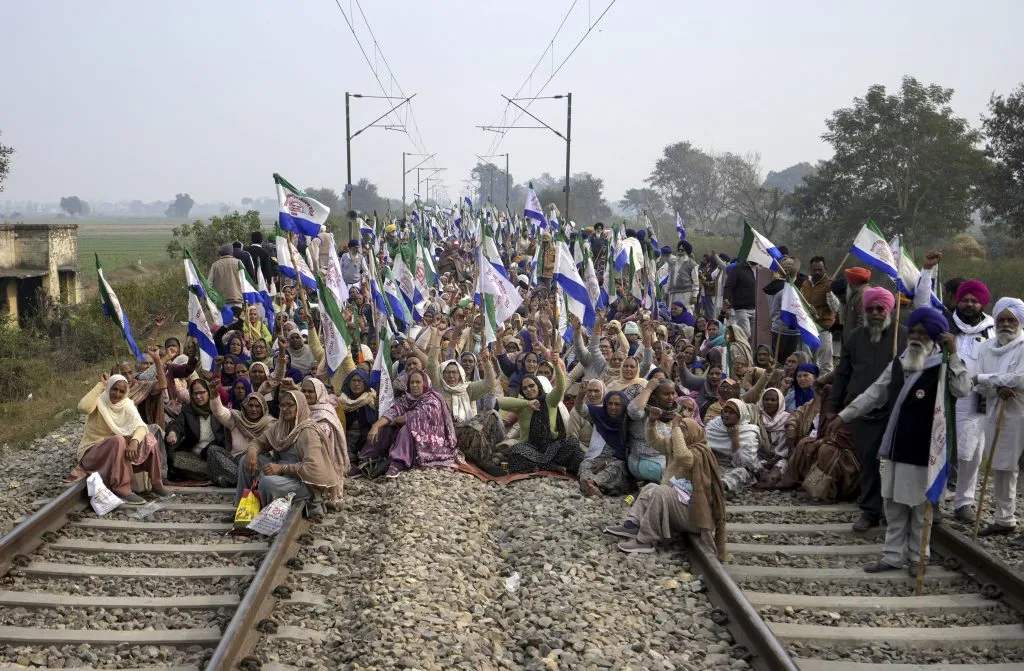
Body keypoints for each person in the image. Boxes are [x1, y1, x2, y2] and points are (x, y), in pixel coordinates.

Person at [826, 307, 969, 573]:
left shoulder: (944, 364)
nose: (915, 337)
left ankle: (918, 558)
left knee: (919, 507)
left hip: (926, 449)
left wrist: (955, 353)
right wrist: (844, 416)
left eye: (923, 333)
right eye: (912, 331)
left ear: (936, 337)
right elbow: (874, 394)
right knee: (893, 504)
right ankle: (892, 556)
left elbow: (962, 389)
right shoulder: (900, 362)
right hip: (895, 444)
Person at [914, 251, 995, 523]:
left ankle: (964, 503)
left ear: (982, 303)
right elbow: (922, 303)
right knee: (939, 448)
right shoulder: (945, 322)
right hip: (946, 398)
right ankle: (934, 500)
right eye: (965, 299)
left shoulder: (991, 329)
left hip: (978, 401)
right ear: (957, 301)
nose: (969, 304)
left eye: (974, 300)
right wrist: (927, 271)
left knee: (972, 454)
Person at [829, 286, 907, 532]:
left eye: (879, 308)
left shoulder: (903, 337)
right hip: (861, 409)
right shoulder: (854, 337)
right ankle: (870, 511)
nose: (875, 313)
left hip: (896, 409)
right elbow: (842, 374)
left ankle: (896, 511)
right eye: (870, 308)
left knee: (896, 462)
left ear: (889, 310)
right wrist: (833, 406)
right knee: (868, 461)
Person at [607, 415, 728, 558]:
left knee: (662, 491)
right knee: (650, 487)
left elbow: (684, 458)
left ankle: (646, 540)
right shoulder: (675, 447)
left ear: (694, 433)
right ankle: (632, 524)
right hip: (682, 507)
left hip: (695, 516)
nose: (679, 433)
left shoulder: (700, 452)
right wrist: (651, 422)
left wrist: (676, 427)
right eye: (679, 430)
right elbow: (654, 441)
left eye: (684, 430)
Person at [235, 390, 344, 522]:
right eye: (282, 405)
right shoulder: (281, 426)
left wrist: (283, 468)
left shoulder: (308, 431)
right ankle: (243, 510)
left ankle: (265, 517)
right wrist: (252, 453)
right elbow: (258, 442)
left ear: (300, 406)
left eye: (290, 405)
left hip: (303, 482)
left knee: (267, 483)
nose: (285, 409)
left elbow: (313, 468)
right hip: (282, 474)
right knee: (244, 460)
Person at [69, 374, 171, 504]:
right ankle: (122, 489)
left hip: (116, 452)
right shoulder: (99, 401)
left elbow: (140, 426)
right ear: (109, 388)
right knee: (118, 439)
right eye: (114, 389)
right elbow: (83, 407)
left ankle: (157, 484)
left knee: (148, 438)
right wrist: (101, 385)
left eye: (122, 391)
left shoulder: (126, 404)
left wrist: (134, 442)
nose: (117, 394)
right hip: (92, 453)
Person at [972, 298, 1024, 536]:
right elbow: (978, 385)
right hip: (998, 410)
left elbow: (1019, 379)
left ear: (1019, 321)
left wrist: (987, 380)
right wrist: (996, 386)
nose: (1005, 324)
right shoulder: (985, 348)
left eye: (1010, 319)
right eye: (1001, 319)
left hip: (1020, 410)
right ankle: (1005, 519)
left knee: (1017, 467)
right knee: (1002, 466)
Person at [363, 370, 459, 478]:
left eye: (418, 382)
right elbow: (394, 410)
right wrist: (376, 426)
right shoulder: (407, 398)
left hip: (429, 444)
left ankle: (397, 463)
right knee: (385, 427)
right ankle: (367, 459)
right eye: (411, 383)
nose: (414, 385)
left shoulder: (434, 399)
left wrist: (396, 420)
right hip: (411, 442)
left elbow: (417, 415)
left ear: (425, 384)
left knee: (407, 427)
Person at [496, 357, 582, 474]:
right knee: (516, 451)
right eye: (525, 388)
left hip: (553, 447)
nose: (529, 390)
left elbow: (561, 388)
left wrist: (556, 365)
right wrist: (526, 403)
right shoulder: (522, 406)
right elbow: (500, 402)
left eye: (531, 386)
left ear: (538, 386)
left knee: (573, 443)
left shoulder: (549, 400)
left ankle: (543, 465)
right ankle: (552, 466)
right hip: (531, 448)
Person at [209, 386, 275, 488]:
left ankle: (230, 479)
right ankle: (239, 479)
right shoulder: (237, 418)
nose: (253, 409)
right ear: (245, 406)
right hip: (234, 462)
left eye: (257, 406)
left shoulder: (269, 424)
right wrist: (215, 396)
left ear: (263, 408)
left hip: (255, 462)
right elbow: (219, 412)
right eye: (251, 405)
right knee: (213, 450)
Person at [165, 379, 227, 481]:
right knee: (176, 458)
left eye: (202, 392)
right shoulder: (187, 409)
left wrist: (210, 449)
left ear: (209, 392)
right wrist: (172, 433)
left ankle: (207, 474)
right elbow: (177, 424)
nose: (198, 397)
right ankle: (210, 475)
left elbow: (224, 437)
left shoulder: (218, 410)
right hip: (193, 455)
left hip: (214, 455)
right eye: (195, 393)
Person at [301, 378, 350, 501]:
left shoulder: (325, 410)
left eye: (310, 391)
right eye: (304, 391)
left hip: (323, 453)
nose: (306, 394)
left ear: (319, 392)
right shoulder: (299, 407)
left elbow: (325, 430)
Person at [577, 391, 632, 497]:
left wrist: (606, 462)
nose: (613, 407)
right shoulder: (599, 415)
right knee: (585, 464)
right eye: (610, 403)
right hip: (596, 457)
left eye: (617, 404)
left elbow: (626, 454)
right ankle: (595, 487)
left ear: (624, 405)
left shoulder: (628, 423)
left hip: (615, 461)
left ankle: (592, 484)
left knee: (617, 468)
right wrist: (581, 394)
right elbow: (580, 409)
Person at [705, 398, 762, 492]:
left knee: (741, 473)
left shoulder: (748, 433)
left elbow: (745, 465)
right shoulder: (714, 426)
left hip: (734, 469)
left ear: (740, 416)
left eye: (731, 413)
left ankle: (720, 487)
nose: (726, 415)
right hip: (715, 466)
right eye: (725, 411)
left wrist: (735, 440)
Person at [802, 256, 837, 374]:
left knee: (825, 363)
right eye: (814, 269)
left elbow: (836, 308)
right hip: (809, 327)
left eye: (820, 270)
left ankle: (824, 388)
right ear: (811, 269)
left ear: (825, 269)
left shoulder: (830, 284)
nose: (817, 272)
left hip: (824, 327)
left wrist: (830, 293)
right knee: (809, 361)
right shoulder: (806, 284)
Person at [339, 368, 377, 463]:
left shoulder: (372, 399)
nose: (356, 384)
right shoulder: (341, 401)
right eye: (354, 381)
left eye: (359, 381)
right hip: (347, 439)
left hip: (367, 439)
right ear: (349, 382)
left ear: (365, 383)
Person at [723, 258, 756, 338]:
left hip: (756, 308)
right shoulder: (738, 269)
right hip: (741, 308)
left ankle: (751, 350)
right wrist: (727, 299)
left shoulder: (761, 270)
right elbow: (729, 286)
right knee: (746, 333)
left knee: (755, 336)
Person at [208, 243, 243, 309]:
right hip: (237, 299)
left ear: (221, 252)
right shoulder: (238, 263)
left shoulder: (215, 265)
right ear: (231, 252)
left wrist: (211, 298)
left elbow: (209, 284)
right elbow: (244, 281)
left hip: (221, 301)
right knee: (237, 319)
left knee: (223, 319)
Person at [666, 240, 699, 311]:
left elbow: (696, 281)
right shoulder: (674, 263)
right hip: (673, 294)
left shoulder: (692, 264)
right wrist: (666, 291)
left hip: (686, 295)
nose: (680, 252)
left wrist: (694, 296)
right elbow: (669, 279)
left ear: (686, 251)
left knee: (686, 312)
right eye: (679, 250)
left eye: (682, 250)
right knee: (673, 313)